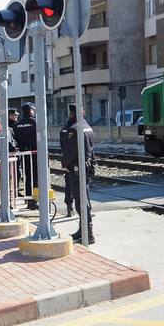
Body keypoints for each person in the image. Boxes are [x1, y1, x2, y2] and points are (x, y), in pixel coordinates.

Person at [61, 104, 96, 244]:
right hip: (86, 167)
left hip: (77, 169)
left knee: (80, 200)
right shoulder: (88, 127)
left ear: (71, 114)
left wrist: (64, 164)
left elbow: (70, 152)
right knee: (84, 198)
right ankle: (83, 230)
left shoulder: (74, 129)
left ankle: (88, 232)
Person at [14, 102, 39, 209]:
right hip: (35, 154)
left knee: (28, 177)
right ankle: (35, 200)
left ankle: (28, 200)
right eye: (33, 109)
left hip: (24, 155)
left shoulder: (17, 125)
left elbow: (16, 141)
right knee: (36, 177)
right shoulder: (36, 123)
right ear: (30, 110)